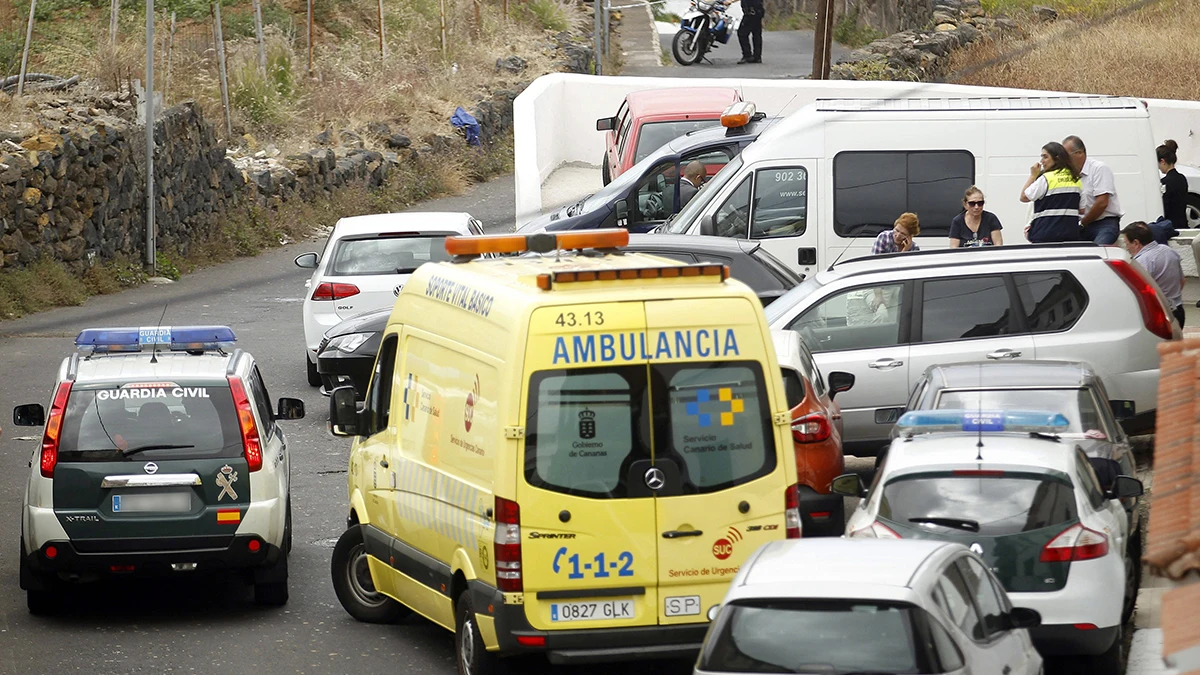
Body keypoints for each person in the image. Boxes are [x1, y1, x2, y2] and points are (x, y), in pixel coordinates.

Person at [1123, 221, 1185, 327]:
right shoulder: (1169, 251)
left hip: (1158, 315)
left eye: (1127, 243)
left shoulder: (1141, 261)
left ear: (1136, 243)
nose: (1127, 247)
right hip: (1178, 311)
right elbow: (1182, 281)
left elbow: (1138, 293)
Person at [1064, 135, 1123, 245]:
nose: (1064, 160)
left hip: (1104, 224)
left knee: (1098, 254)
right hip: (1081, 224)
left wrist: (1082, 223)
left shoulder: (1099, 169)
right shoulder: (1069, 174)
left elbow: (1102, 203)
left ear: (1080, 153)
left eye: (1066, 156)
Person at [1020, 142, 1082, 243]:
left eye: (1045, 157)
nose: (1041, 161)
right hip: (1070, 235)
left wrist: (1033, 176)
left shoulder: (1046, 178)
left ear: (1056, 158)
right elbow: (1082, 209)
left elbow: (1023, 197)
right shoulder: (1076, 179)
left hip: (1045, 234)